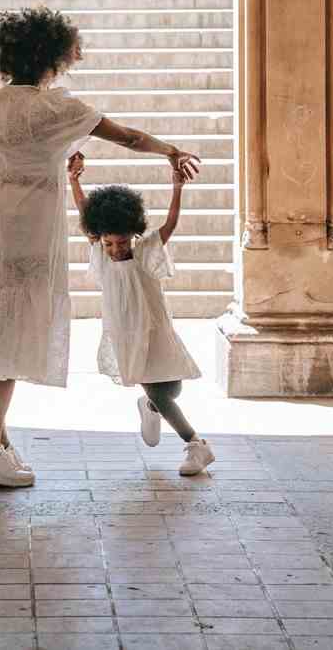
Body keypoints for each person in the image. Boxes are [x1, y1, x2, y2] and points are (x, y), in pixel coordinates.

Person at [0, 5, 200, 488]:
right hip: (35, 223)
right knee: (14, 329)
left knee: (4, 317)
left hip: (1, 220)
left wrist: (63, 151)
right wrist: (171, 150)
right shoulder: (57, 108)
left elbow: (26, 145)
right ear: (54, 56)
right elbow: (127, 137)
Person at [68, 150, 214, 477]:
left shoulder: (146, 251)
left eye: (121, 243)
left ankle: (151, 407)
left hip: (155, 331)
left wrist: (177, 186)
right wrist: (74, 181)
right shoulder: (100, 252)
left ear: (132, 235)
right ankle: (196, 445)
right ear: (100, 239)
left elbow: (170, 224)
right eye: (109, 244)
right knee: (160, 393)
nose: (115, 249)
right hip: (126, 334)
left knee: (171, 389)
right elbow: (83, 214)